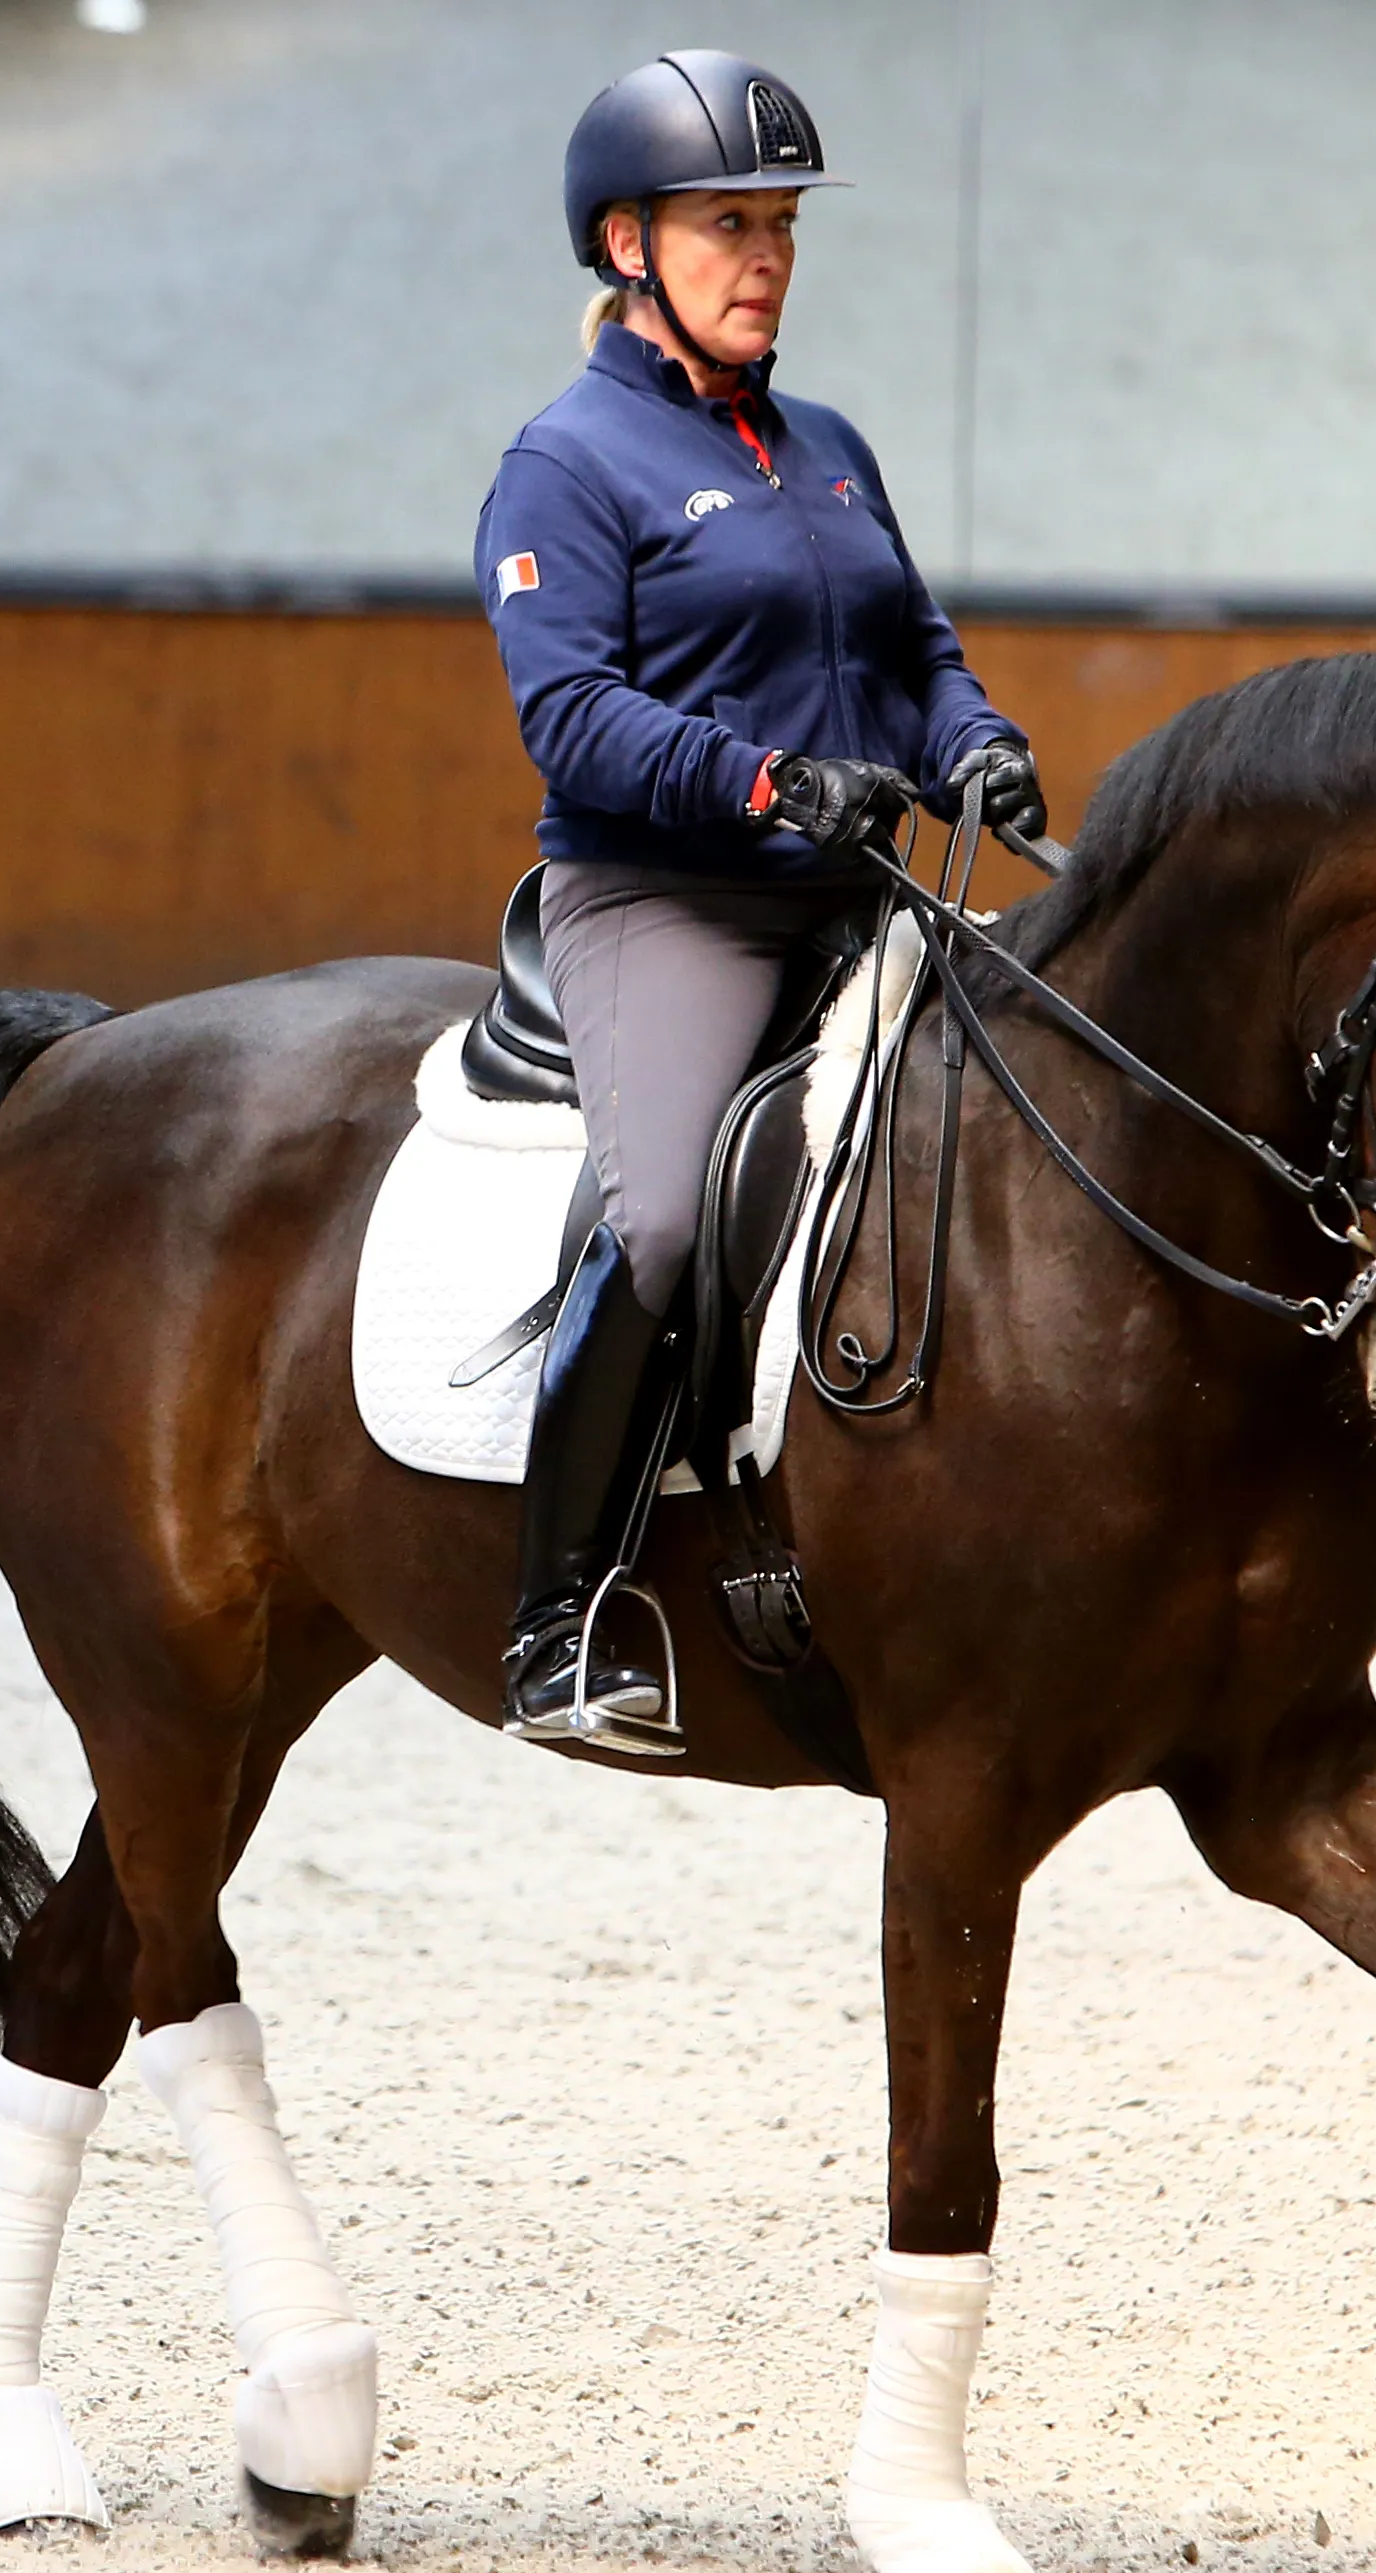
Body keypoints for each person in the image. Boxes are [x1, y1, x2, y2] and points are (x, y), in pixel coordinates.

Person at [474, 48, 1041, 1749]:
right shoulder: (566, 463)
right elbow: (571, 713)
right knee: (661, 1218)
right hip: (675, 904)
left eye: (781, 225)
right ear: (627, 244)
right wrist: (770, 781)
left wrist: (977, 742)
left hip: (859, 886)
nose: (768, 256)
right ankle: (558, 1621)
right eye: (729, 225)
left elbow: (915, 651)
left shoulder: (828, 449)